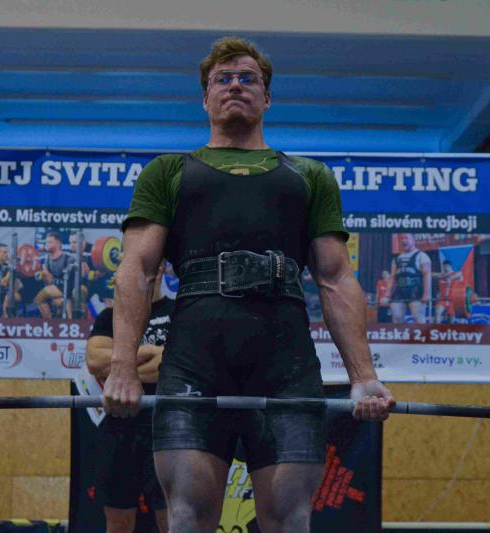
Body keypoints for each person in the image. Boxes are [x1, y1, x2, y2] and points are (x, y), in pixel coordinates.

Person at [103, 36, 395, 533]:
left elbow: (335, 278)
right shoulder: (167, 172)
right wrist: (122, 367)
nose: (235, 86)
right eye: (223, 79)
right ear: (205, 98)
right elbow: (137, 270)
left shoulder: (309, 176)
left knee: (289, 519)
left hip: (285, 364)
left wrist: (363, 377)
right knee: (187, 517)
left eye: (248, 79)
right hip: (195, 361)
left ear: (267, 97)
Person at [86, 262, 172, 533]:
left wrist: (122, 366)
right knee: (118, 523)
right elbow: (95, 361)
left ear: (161, 270)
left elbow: (172, 365)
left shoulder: (179, 312)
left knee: (171, 520)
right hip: (119, 427)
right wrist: (149, 351)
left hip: (166, 429)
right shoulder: (111, 316)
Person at [387, 233, 432, 324]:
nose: (404, 241)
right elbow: (392, 277)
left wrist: (426, 294)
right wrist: (387, 295)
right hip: (399, 290)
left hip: (416, 290)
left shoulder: (422, 256)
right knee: (397, 318)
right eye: (402, 239)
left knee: (418, 318)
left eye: (406, 238)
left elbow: (427, 275)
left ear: (413, 240)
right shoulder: (396, 259)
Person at [33, 232, 77, 318]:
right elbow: (48, 281)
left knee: (39, 299)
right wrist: (43, 276)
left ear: (58, 243)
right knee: (50, 301)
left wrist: (50, 278)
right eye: (46, 242)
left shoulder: (69, 259)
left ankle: (49, 322)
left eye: (50, 242)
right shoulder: (47, 259)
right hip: (56, 288)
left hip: (67, 289)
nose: (47, 244)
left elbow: (71, 283)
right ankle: (51, 321)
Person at [434, 260, 463, 324]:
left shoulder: (457, 274)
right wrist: (443, 275)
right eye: (443, 267)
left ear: (449, 266)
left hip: (452, 300)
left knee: (451, 320)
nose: (444, 268)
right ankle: (437, 328)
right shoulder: (441, 275)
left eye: (445, 266)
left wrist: (449, 277)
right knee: (437, 312)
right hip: (443, 300)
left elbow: (458, 274)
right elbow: (431, 274)